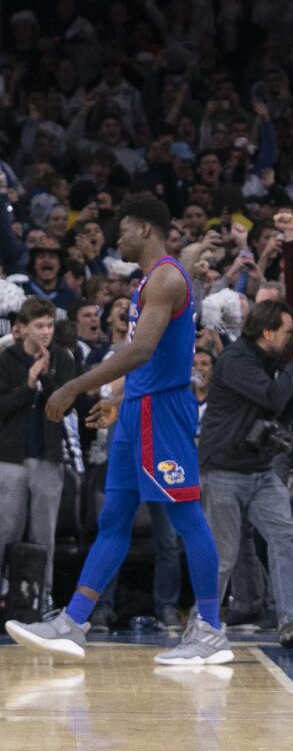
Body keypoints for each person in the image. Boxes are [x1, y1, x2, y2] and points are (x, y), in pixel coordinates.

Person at [5, 192, 232, 665]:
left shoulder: (166, 278)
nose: (118, 238)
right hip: (138, 411)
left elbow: (141, 351)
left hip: (164, 414)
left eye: (124, 229)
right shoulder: (153, 278)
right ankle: (75, 620)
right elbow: (148, 362)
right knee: (114, 519)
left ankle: (210, 629)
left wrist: (74, 388)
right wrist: (117, 401)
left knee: (187, 517)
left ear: (145, 228)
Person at [198, 299, 293, 648]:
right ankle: (203, 624)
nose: (291, 342)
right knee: (223, 553)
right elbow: (271, 397)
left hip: (258, 467)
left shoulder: (269, 361)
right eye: (287, 334)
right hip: (225, 469)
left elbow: (283, 412)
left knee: (285, 536)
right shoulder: (235, 360)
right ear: (268, 331)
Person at [0, 296, 79, 608]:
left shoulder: (63, 359)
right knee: (5, 531)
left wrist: (44, 376)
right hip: (10, 458)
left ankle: (41, 598)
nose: (46, 332)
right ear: (24, 329)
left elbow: (66, 404)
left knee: (44, 532)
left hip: (48, 457)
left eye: (49, 326)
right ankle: (3, 594)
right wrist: (27, 385)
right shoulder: (6, 360)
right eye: (39, 326)